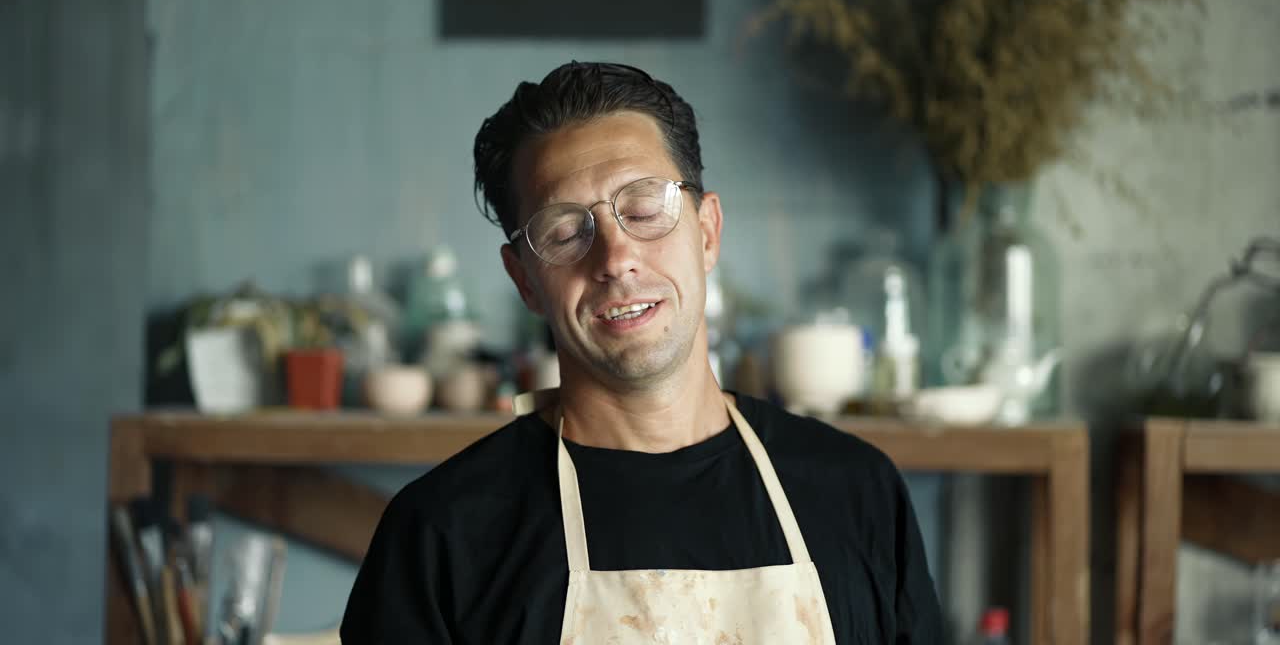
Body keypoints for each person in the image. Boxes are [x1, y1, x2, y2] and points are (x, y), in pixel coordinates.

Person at [340, 62, 943, 643]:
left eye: (644, 209)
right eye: (564, 232)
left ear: (707, 232)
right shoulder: (441, 536)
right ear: (525, 279)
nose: (615, 258)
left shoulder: (856, 493)